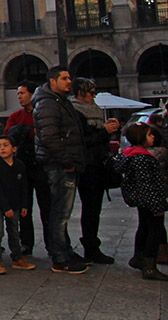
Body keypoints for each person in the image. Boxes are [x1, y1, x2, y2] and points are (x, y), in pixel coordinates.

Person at [34, 65, 89, 274]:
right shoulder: (48, 103)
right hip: (58, 165)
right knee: (60, 213)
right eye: (64, 78)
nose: (69, 81)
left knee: (61, 212)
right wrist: (67, 160)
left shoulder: (58, 101)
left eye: (69, 78)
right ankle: (60, 257)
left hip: (62, 163)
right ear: (52, 81)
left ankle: (64, 250)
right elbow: (49, 137)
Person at [70, 77, 120, 264]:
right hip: (86, 165)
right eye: (90, 92)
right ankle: (90, 246)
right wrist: (104, 131)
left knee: (94, 208)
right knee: (89, 207)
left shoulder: (96, 110)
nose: (93, 95)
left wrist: (109, 130)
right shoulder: (74, 111)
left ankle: (93, 245)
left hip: (99, 163)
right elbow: (82, 140)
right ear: (80, 93)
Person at [114, 122, 168, 280]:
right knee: (154, 230)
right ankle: (149, 265)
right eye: (150, 135)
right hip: (150, 200)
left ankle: (139, 257)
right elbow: (146, 184)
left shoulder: (131, 153)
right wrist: (156, 204)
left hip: (143, 200)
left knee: (144, 227)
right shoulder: (142, 157)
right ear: (141, 137)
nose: (153, 137)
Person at [4, 80, 51, 257]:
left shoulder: (42, 113)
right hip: (22, 166)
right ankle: (26, 242)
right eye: (18, 93)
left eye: (22, 93)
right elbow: (9, 136)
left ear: (33, 94)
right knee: (25, 207)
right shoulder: (16, 116)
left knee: (47, 206)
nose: (19, 96)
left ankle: (51, 242)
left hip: (40, 164)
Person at [0, 136, 36, 274]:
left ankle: (17, 257)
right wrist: (5, 207)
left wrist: (24, 205)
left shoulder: (19, 165)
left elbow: (24, 187)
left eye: (5, 145)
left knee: (14, 231)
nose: (2, 148)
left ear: (14, 148)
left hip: (14, 204)